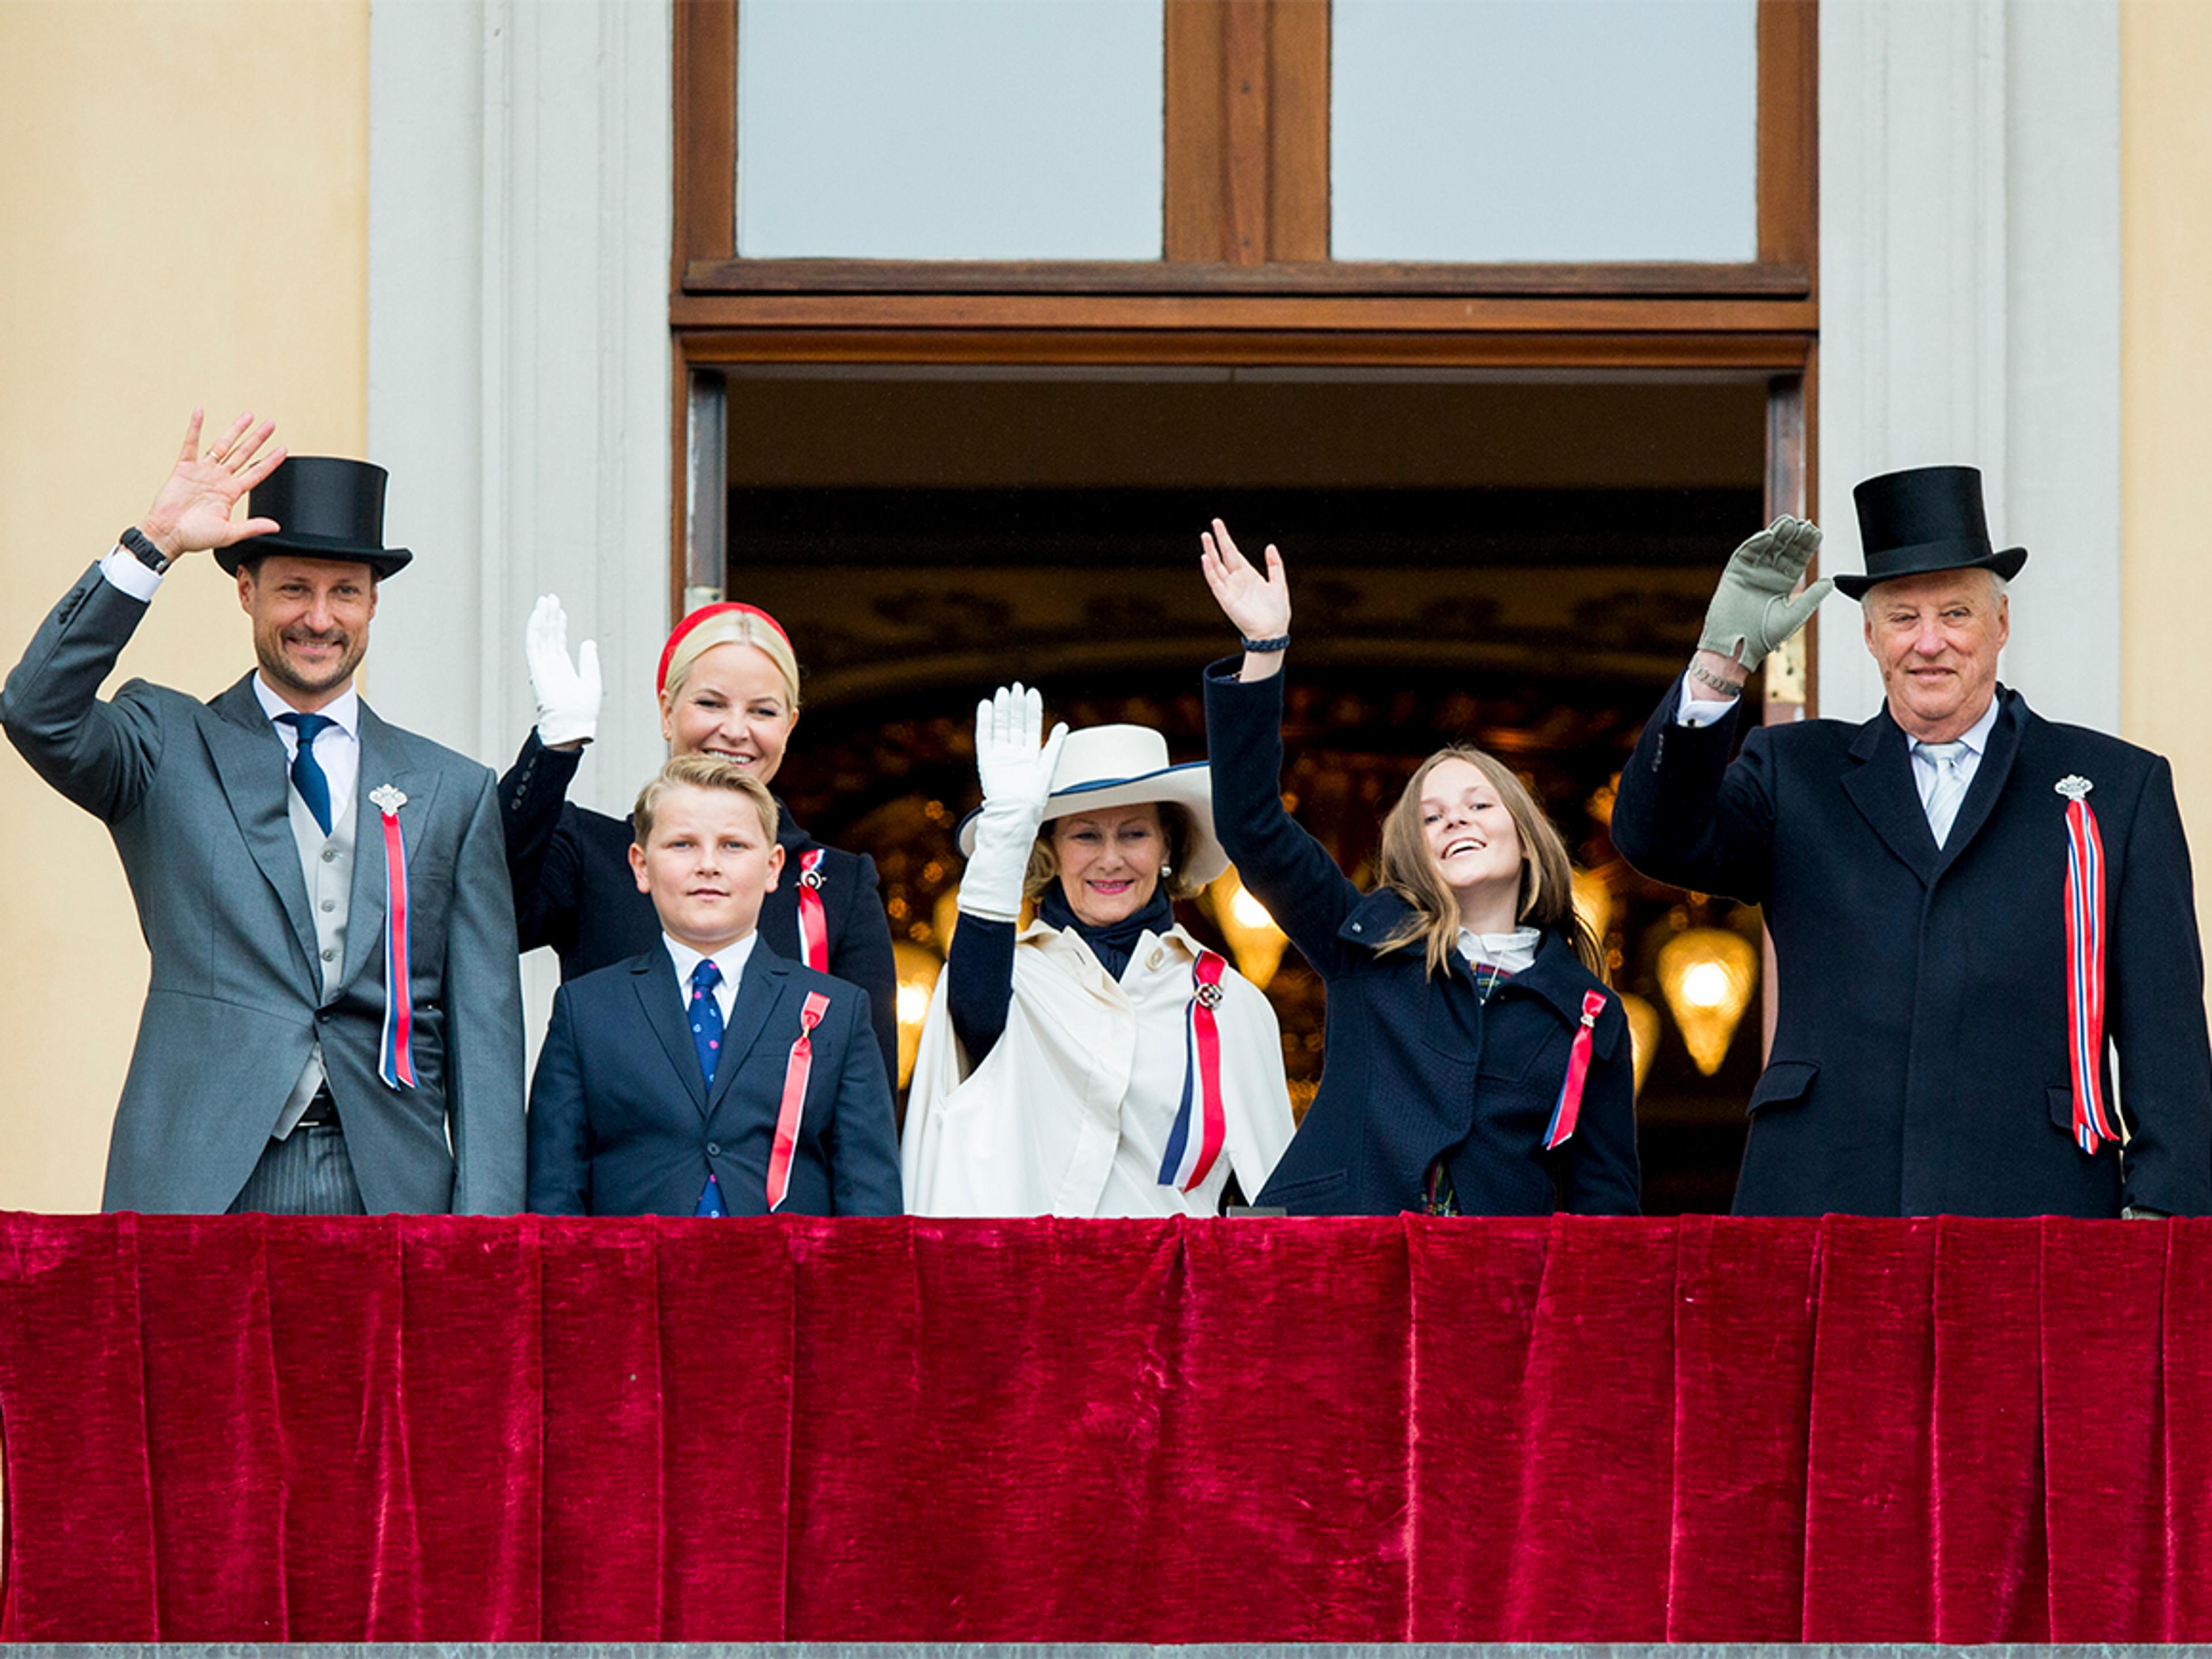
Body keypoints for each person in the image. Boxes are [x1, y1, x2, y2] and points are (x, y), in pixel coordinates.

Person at [1610, 465, 2212, 1217]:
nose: (1930, 643)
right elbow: (1658, 839)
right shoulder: (1794, 771)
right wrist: (1719, 666)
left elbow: (2166, 1032)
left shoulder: (2117, 787)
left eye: (1956, 614)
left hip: (2036, 1202)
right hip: (1821, 1198)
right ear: (1870, 636)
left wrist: (2162, 1216)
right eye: (1902, 618)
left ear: (2001, 624)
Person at [1, 410, 525, 1215]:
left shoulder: (452, 789)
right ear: (246, 591)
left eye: (344, 592)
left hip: (391, 1189)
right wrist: (153, 546)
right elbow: (37, 710)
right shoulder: (166, 744)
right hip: (203, 1183)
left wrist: (483, 1236)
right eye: (293, 589)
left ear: (373, 603)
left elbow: (485, 1036)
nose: (319, 618)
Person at [1198, 520, 1638, 1218]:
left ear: (1527, 841)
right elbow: (1252, 825)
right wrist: (1264, 648)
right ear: (1418, 859)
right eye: (1431, 818)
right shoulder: (1366, 945)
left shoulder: (1587, 1012)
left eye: (1479, 805)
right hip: (1341, 1258)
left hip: (1493, 1274)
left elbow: (1604, 1203)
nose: (1455, 820)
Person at [902, 685, 1294, 1217]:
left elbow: (1272, 1204)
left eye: (1134, 834)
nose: (1110, 859)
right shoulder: (1007, 981)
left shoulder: (1232, 1002)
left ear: (1167, 844)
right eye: (1085, 836)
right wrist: (1004, 837)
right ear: (1049, 848)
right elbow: (974, 996)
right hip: (1034, 1270)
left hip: (1179, 1272)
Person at [501, 596, 898, 1080]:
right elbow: (492, 909)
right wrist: (555, 747)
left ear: (789, 727)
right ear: (667, 710)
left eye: (763, 711)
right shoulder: (589, 851)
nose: (735, 730)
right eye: (710, 704)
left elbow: (868, 1082)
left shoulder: (838, 883)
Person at [527, 753, 902, 1217]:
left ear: (773, 867)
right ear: (641, 866)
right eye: (682, 844)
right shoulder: (585, 1010)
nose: (708, 865)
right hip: (633, 1264)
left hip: (789, 1264)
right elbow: (554, 1195)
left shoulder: (838, 1012)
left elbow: (870, 1200)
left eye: (733, 846)